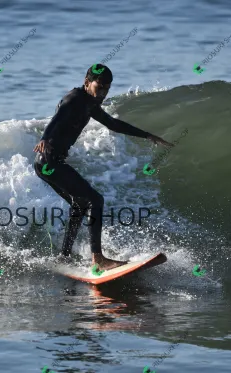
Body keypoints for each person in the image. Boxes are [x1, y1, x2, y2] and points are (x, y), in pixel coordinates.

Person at [33, 64, 174, 271]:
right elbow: (58, 117)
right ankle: (98, 259)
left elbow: (113, 124)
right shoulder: (74, 99)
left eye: (107, 89)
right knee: (95, 200)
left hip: (47, 162)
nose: (103, 93)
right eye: (99, 87)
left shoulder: (89, 104)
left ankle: (64, 257)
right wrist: (45, 138)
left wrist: (147, 135)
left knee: (80, 204)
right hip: (48, 162)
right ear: (87, 82)